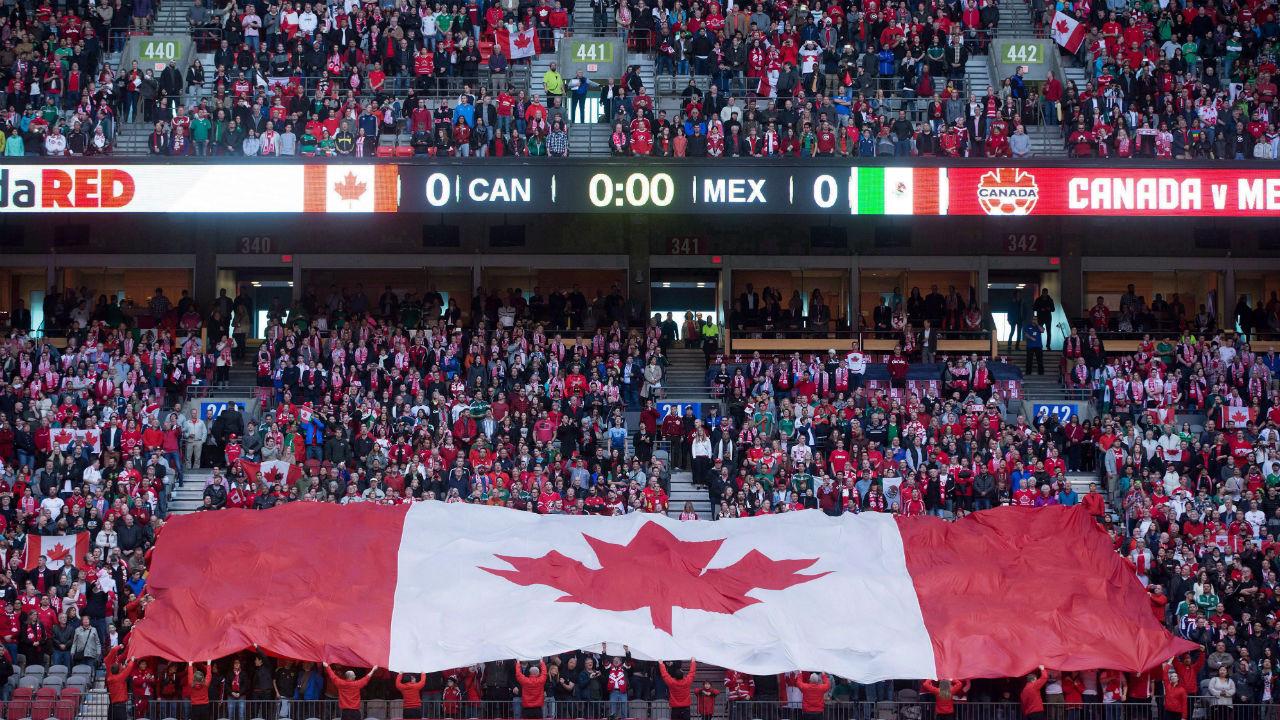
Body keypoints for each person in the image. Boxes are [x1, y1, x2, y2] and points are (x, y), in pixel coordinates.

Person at [104, 645, 137, 720]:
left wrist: (129, 645)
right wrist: (119, 646)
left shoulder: (111, 676)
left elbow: (124, 655)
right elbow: (128, 670)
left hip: (114, 703)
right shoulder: (108, 661)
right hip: (120, 705)